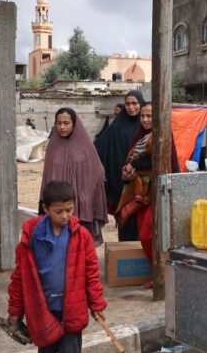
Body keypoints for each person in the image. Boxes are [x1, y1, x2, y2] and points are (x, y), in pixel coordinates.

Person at [7, 181, 107, 353]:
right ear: (45, 209)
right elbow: (21, 276)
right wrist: (15, 312)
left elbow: (91, 273)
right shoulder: (32, 236)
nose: (65, 216)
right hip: (42, 310)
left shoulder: (81, 236)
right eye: (58, 211)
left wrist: (96, 303)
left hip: (72, 307)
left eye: (69, 210)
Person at [118, 103, 180, 286]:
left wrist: (135, 165)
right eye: (143, 116)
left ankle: (164, 276)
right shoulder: (140, 137)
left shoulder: (163, 137)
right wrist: (127, 174)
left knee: (155, 236)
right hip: (141, 196)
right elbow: (133, 162)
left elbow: (157, 161)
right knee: (146, 237)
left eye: (150, 116)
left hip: (159, 194)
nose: (145, 120)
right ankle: (158, 274)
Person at [40, 108, 109, 246]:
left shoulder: (85, 146)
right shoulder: (53, 147)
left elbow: (97, 171)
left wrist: (86, 195)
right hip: (58, 206)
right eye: (59, 123)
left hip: (81, 205)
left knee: (80, 246)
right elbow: (48, 176)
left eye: (66, 123)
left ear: (74, 123)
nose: (62, 127)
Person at [95, 90, 146, 215]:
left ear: (141, 104)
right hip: (122, 178)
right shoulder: (117, 125)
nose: (131, 107)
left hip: (144, 177)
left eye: (134, 103)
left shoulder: (146, 123)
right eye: (127, 104)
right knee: (124, 216)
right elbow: (100, 146)